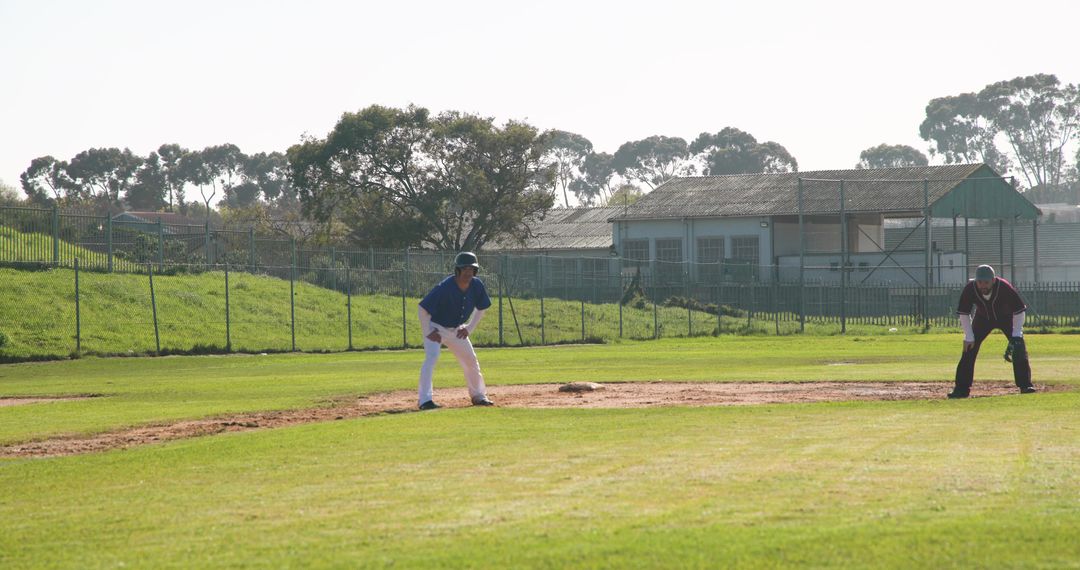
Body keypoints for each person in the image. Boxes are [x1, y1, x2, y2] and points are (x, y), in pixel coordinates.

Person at [416, 251, 494, 410]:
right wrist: (428, 331)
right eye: (464, 269)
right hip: (436, 328)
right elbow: (422, 309)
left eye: (471, 269)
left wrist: (469, 328)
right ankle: (425, 400)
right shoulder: (445, 287)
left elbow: (482, 308)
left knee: (471, 360)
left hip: (457, 330)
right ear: (457, 270)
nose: (468, 272)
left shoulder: (477, 285)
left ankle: (478, 395)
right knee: (432, 358)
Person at [949, 264, 1037, 399]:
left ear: (993, 280)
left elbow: (1019, 311)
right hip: (983, 318)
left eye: (986, 282)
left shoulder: (1004, 287)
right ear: (975, 280)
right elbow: (964, 313)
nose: (983, 285)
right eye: (980, 282)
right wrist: (969, 336)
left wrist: (1017, 335)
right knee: (969, 349)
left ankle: (1025, 385)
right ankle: (961, 389)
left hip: (1006, 318)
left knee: (1019, 348)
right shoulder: (970, 288)